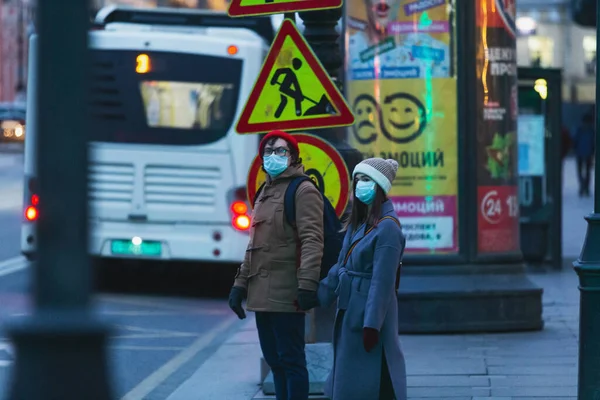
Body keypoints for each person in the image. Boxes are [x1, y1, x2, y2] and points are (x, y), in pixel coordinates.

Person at [228, 130, 324, 400]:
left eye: (281, 151)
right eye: (268, 152)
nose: (273, 156)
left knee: (292, 362)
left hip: (287, 294)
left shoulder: (303, 190)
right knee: (275, 362)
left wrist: (307, 284)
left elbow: (312, 240)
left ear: (293, 156)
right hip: (261, 296)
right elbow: (254, 246)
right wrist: (239, 285)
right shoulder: (263, 192)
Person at [318, 158, 407, 400]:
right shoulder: (360, 223)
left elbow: (382, 283)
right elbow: (341, 265)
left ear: (380, 186)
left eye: (366, 180)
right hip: (350, 311)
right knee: (351, 378)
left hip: (366, 315)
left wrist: (371, 325)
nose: (360, 185)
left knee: (369, 381)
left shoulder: (388, 228)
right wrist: (319, 293)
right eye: (357, 179)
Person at [573, 112, 596, 197]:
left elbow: (575, 140)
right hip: (588, 153)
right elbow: (593, 142)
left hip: (580, 153)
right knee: (587, 171)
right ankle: (585, 187)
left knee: (581, 171)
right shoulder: (591, 130)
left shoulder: (579, 129)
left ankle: (583, 186)